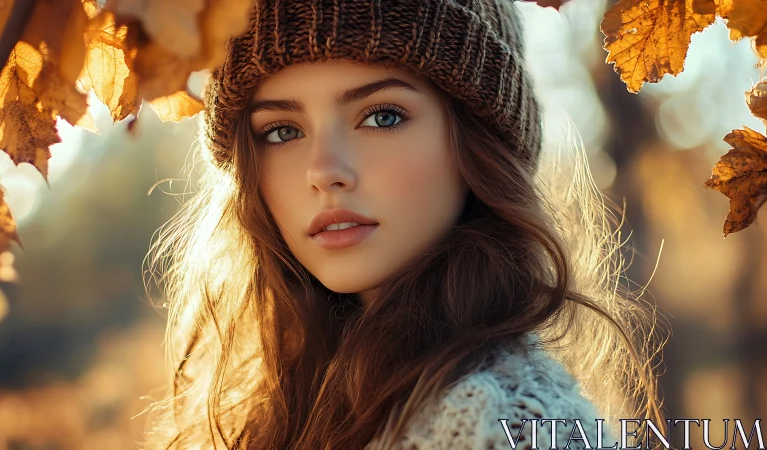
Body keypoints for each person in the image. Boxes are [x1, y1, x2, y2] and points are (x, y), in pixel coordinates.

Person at [141, 0, 668, 448]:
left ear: (475, 142)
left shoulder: (500, 423)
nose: (323, 172)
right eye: (281, 130)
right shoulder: (289, 404)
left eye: (382, 116)